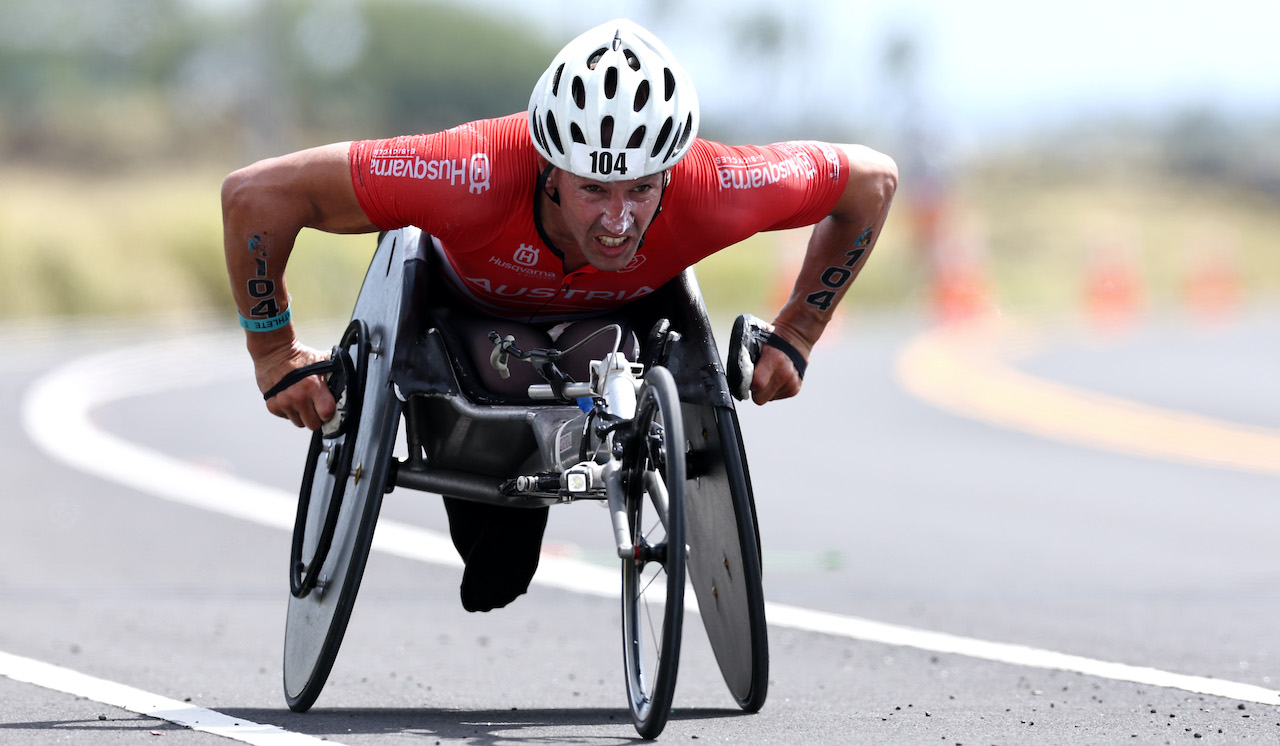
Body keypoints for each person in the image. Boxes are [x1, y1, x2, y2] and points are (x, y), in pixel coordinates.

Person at [222, 18, 897, 612]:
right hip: (466, 336)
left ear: (670, 169)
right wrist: (273, 353)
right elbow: (255, 195)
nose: (617, 220)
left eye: (640, 189)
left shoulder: (714, 184)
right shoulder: (472, 170)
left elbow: (871, 180)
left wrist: (799, 331)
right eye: (593, 189)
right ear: (548, 168)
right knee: (498, 565)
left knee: (584, 361)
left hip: (618, 331)